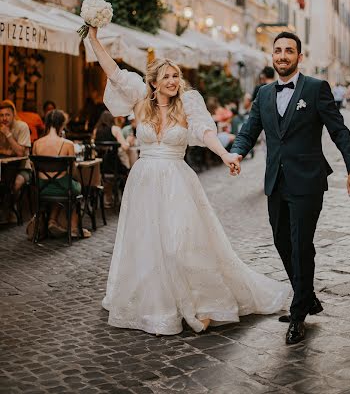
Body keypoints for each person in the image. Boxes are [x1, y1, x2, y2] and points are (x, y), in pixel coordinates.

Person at [88, 26, 290, 336]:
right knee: (146, 243)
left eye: (175, 75)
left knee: (180, 243)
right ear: (154, 82)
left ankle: (202, 302)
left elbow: (206, 133)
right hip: (143, 182)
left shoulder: (189, 105)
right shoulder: (140, 102)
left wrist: (226, 155)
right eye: (166, 76)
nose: (172, 81)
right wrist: (93, 39)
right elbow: (114, 72)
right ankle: (156, 304)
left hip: (176, 182)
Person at [229, 32, 350, 345]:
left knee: (301, 244)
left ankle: (299, 312)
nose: (283, 55)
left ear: (298, 57)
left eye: (289, 50)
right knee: (281, 241)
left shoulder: (316, 89)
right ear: (272, 56)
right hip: (276, 182)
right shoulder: (263, 94)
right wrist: (236, 151)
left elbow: (338, 131)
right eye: (278, 51)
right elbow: (249, 131)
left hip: (307, 181)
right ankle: (308, 296)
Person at [32, 110, 91, 238]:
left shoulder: (36, 143)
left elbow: (34, 169)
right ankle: (74, 228)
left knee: (60, 186)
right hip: (62, 186)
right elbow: (72, 171)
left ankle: (52, 221)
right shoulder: (68, 144)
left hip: (42, 188)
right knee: (76, 187)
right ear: (62, 125)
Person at [0, 100, 31, 221]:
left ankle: (11, 208)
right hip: (3, 167)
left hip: (22, 167)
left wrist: (8, 134)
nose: (4, 118)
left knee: (15, 184)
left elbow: (20, 153)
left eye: (7, 115)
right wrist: (7, 152)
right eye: (1, 115)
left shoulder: (22, 126)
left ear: (13, 115)